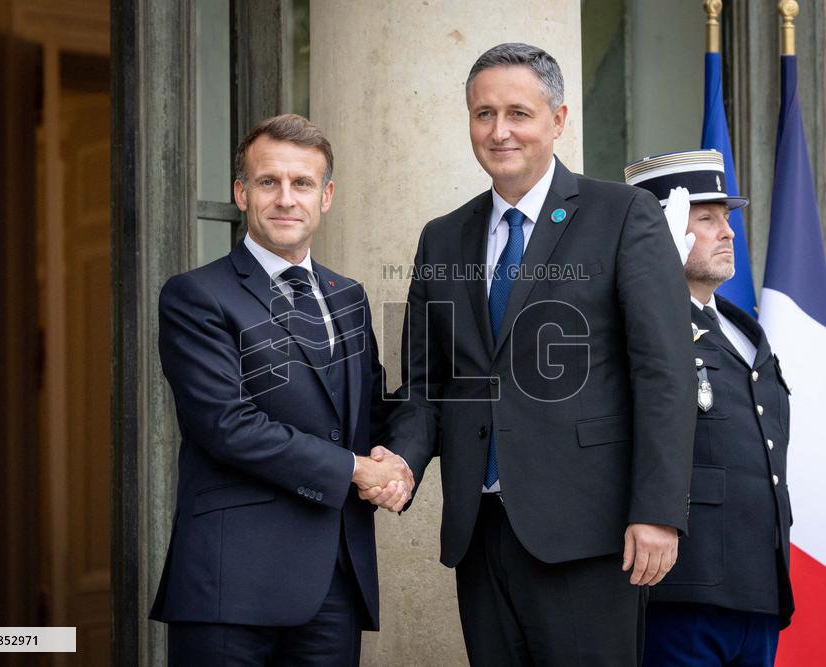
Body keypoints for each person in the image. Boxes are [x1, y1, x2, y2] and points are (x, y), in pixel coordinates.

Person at [377, 43, 697, 665]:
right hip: (480, 531)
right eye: (483, 114)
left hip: (591, 533)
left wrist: (658, 511)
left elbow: (664, 373)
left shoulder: (623, 214)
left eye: (518, 113)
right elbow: (423, 381)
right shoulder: (442, 236)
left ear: (557, 119)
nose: (499, 132)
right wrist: (406, 461)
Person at [149, 114, 412, 666]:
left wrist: (404, 459)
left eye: (303, 184)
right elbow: (226, 425)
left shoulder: (348, 297)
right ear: (242, 194)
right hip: (231, 586)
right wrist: (358, 470)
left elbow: (370, 412)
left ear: (327, 196)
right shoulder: (197, 295)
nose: (286, 198)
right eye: (269, 182)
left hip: (336, 581)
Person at [624, 150, 794, 666]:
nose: (728, 232)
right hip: (683, 590)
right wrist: (653, 273)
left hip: (758, 590)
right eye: (706, 218)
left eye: (727, 218)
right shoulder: (638, 323)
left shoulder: (743, 330)